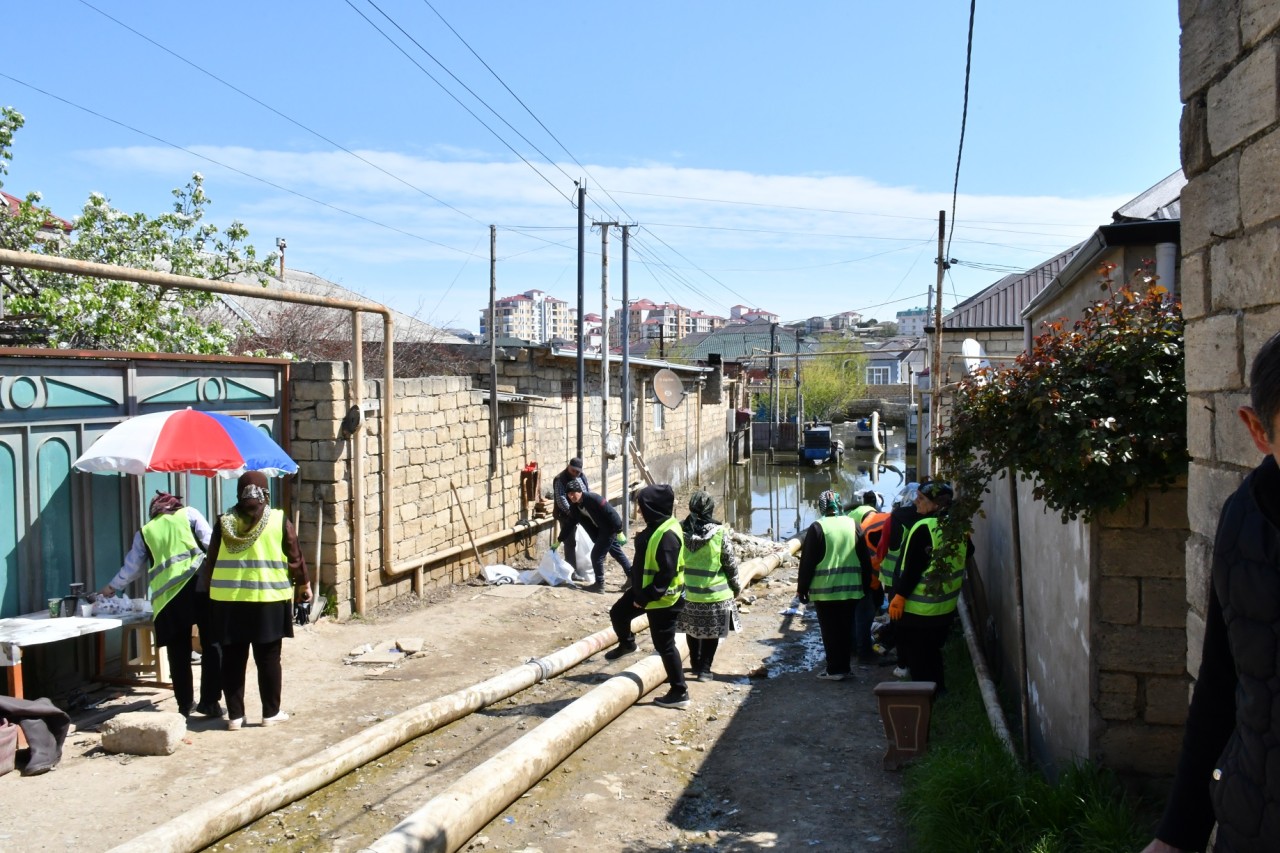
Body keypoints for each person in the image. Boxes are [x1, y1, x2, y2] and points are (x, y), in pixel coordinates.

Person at [1142, 331, 1280, 853]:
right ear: (1257, 431)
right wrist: (1178, 834)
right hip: (1251, 823)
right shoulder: (1244, 519)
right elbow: (1225, 683)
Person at [98, 491, 223, 719]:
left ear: (154, 510)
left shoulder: (145, 532)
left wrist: (110, 588)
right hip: (200, 586)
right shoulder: (189, 514)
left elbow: (132, 568)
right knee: (213, 643)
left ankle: (185, 705)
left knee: (178, 653)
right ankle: (210, 702)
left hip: (169, 600)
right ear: (173, 505)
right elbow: (211, 543)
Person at [203, 471, 312, 731]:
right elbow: (295, 556)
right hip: (269, 601)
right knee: (268, 659)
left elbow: (211, 562)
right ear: (265, 493)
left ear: (239, 494)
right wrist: (303, 585)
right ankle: (270, 713)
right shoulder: (278, 520)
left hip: (228, 603)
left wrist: (206, 598)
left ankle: (235, 717)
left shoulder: (224, 522)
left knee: (232, 659)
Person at [604, 484, 689, 710]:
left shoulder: (667, 535)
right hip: (645, 591)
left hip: (663, 599)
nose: (639, 511)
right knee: (618, 614)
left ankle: (679, 691)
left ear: (653, 507)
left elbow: (666, 574)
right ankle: (627, 643)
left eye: (642, 507)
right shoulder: (658, 526)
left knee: (665, 645)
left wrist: (645, 598)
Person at [886, 481, 969, 692]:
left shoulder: (924, 527)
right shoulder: (956, 525)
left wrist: (900, 596)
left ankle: (924, 705)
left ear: (935, 504)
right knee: (932, 655)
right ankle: (938, 694)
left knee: (920, 663)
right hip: (944, 608)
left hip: (918, 612)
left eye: (921, 498)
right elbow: (969, 552)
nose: (916, 501)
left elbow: (913, 569)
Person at [797, 490, 871, 681]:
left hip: (825, 592)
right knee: (846, 627)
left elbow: (807, 563)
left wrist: (802, 589)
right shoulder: (853, 525)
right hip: (851, 589)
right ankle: (845, 667)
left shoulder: (817, 528)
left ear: (821, 507)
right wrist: (866, 584)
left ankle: (834, 669)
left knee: (830, 630)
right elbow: (865, 559)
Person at [675, 491, 742, 682]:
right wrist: (736, 587)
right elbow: (729, 563)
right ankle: (704, 670)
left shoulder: (680, 530)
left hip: (688, 593)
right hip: (716, 595)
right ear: (710, 509)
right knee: (711, 632)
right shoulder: (719, 533)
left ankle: (695, 663)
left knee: (692, 629)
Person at [565, 478, 631, 593]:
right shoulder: (575, 507)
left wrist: (619, 530)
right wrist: (559, 540)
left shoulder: (593, 498)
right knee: (617, 553)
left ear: (579, 491)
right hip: (600, 531)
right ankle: (633, 578)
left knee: (596, 556)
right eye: (569, 494)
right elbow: (570, 524)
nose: (571, 497)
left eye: (572, 493)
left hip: (609, 529)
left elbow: (611, 513)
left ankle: (599, 584)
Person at [552, 457, 589, 578]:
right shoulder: (560, 480)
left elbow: (586, 491)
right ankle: (571, 571)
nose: (575, 473)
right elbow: (561, 499)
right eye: (573, 470)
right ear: (568, 466)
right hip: (566, 515)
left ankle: (586, 568)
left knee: (587, 540)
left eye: (577, 471)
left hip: (582, 513)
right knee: (570, 542)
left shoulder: (581, 476)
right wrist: (572, 513)